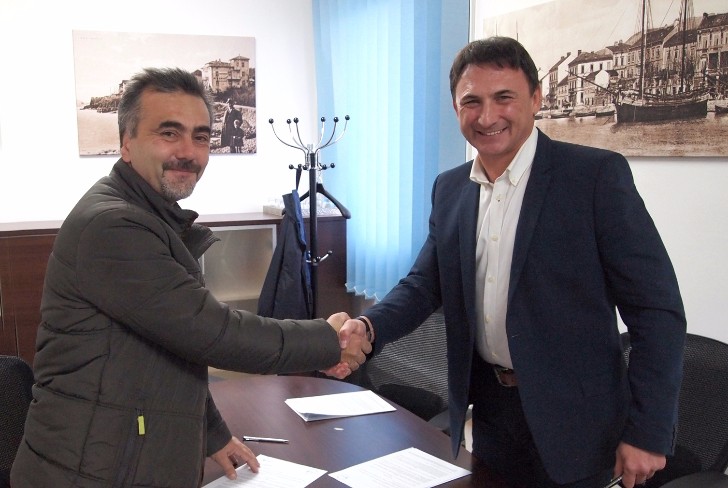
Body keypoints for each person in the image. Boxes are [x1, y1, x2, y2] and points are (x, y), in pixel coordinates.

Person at [344, 37, 686, 488]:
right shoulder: (450, 189)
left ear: (536, 98)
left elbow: (656, 311)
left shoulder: (594, 178)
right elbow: (424, 284)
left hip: (578, 421)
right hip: (492, 411)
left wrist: (648, 431)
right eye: (472, 101)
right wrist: (368, 328)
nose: (487, 117)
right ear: (455, 107)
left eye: (504, 97)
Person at [10, 67, 370, 488]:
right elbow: (212, 333)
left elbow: (169, 350)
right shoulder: (113, 226)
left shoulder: (148, 213)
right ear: (126, 142)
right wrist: (328, 341)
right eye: (169, 133)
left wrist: (213, 435)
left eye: (201, 137)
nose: (188, 152)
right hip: (86, 472)